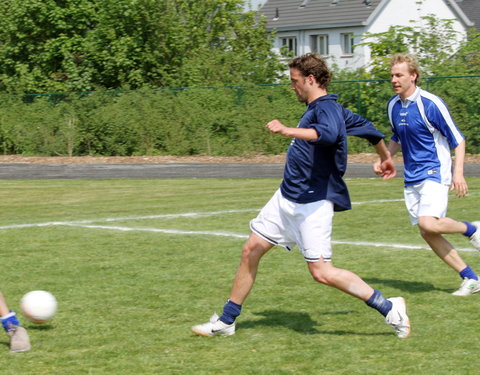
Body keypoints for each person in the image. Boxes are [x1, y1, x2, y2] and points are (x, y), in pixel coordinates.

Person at [191, 53, 410, 339]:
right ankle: (227, 320)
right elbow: (372, 131)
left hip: (312, 203)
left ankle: (389, 306)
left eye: (295, 81)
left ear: (310, 79)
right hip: (286, 198)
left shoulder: (327, 109)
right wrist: (386, 158)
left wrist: (286, 130)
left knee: (321, 273)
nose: (292, 87)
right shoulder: (327, 109)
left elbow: (329, 135)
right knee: (250, 250)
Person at [374, 53, 480, 296]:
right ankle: (471, 278)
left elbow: (458, 140)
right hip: (412, 176)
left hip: (434, 170)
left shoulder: (430, 103)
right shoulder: (393, 105)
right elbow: (397, 137)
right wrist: (386, 159)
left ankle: (472, 230)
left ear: (413, 76)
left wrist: (458, 173)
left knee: (427, 222)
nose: (394, 79)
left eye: (399, 75)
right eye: (391, 75)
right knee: (427, 231)